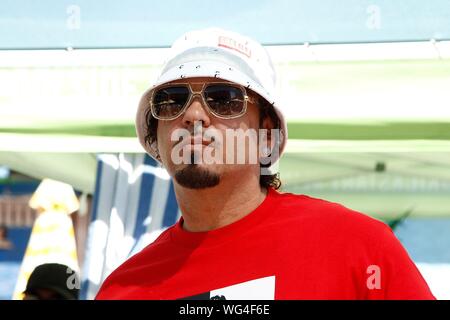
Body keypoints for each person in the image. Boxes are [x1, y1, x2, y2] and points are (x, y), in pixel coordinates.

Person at [95, 28, 435, 300]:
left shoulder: (359, 248)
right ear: (155, 131)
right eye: (171, 101)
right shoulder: (123, 290)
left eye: (224, 99)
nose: (194, 115)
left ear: (266, 132)